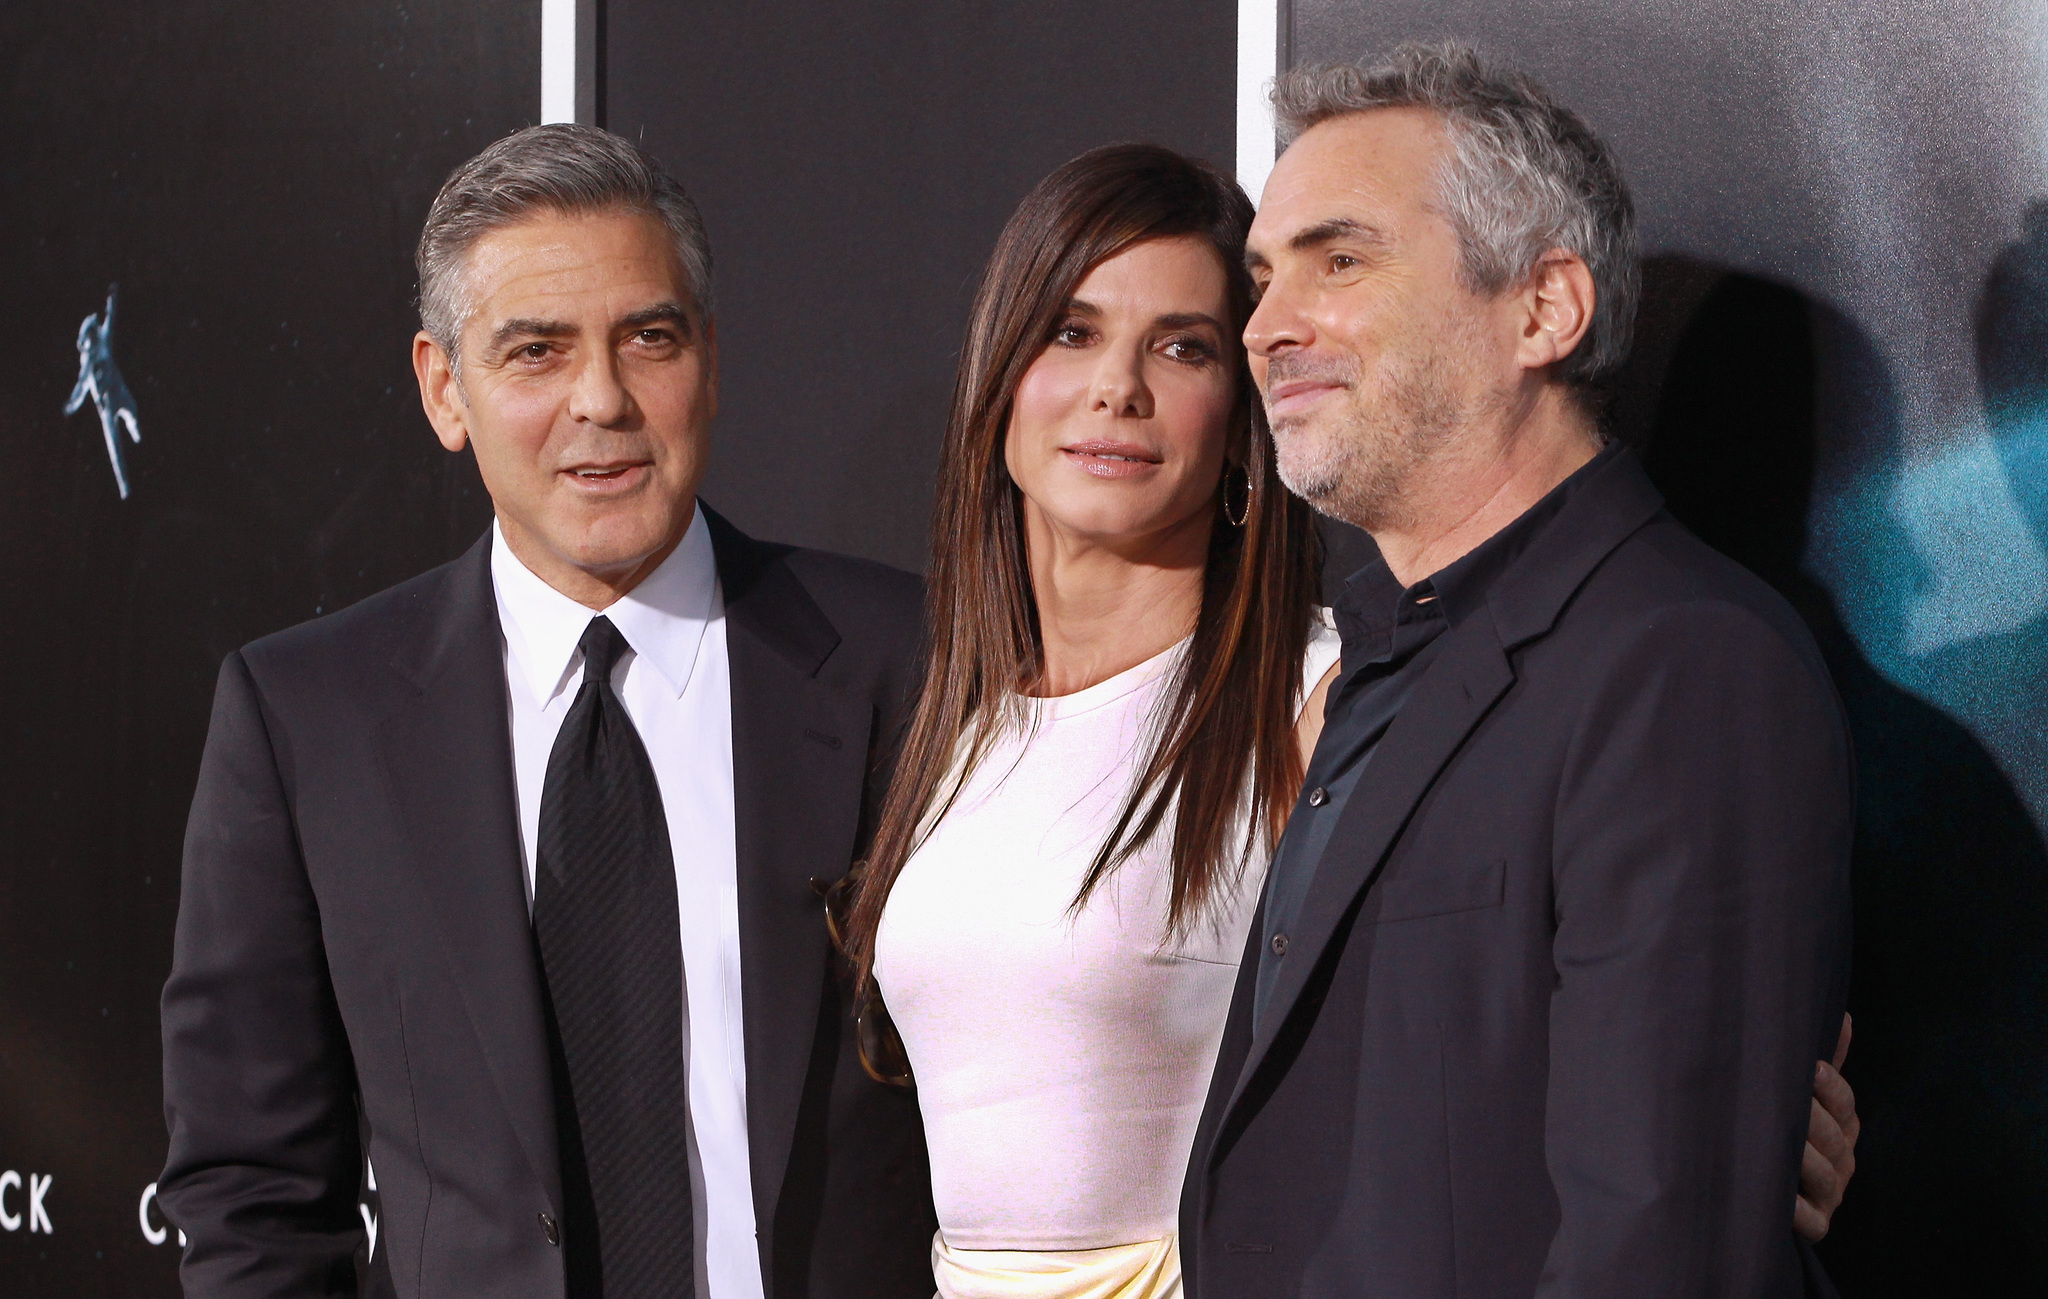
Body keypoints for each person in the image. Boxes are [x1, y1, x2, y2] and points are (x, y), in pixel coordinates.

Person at [842, 143, 1858, 1299]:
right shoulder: (939, 719)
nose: (1115, 388)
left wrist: (1741, 1129)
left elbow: (1492, 1032)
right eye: (1068, 332)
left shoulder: (1334, 694)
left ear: (1244, 414)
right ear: (997, 371)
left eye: (1182, 346)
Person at [157, 125, 935, 1298]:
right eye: (535, 352)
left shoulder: (910, 663)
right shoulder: (306, 718)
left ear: (711, 362)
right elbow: (250, 1188)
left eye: (649, 339)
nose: (601, 400)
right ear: (443, 389)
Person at [1179, 42, 1854, 1298]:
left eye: (1341, 259)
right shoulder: (1371, 669)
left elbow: (1657, 1250)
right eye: (1262, 278)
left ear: (1542, 309)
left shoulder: (1684, 670)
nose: (1265, 326)